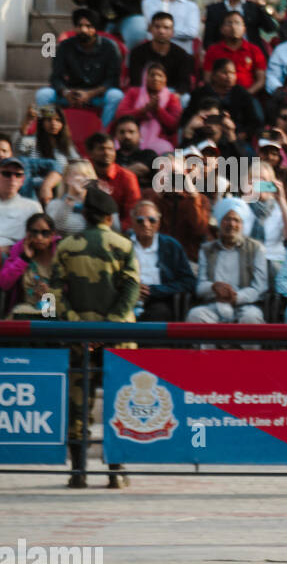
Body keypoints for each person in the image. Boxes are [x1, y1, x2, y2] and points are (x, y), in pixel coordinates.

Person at [51, 183, 139, 488]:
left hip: (78, 336)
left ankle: (78, 471)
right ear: (109, 217)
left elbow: (50, 296)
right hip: (118, 338)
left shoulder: (64, 246)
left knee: (78, 401)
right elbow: (131, 290)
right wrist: (111, 326)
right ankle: (117, 472)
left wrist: (69, 323)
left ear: (86, 215)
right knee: (120, 400)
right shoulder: (125, 246)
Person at [37, 9, 126, 130]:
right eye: (80, 26)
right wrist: (66, 93)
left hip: (97, 95)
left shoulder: (109, 47)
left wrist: (90, 94)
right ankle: (46, 131)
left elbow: (112, 80)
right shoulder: (65, 46)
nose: (83, 30)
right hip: (70, 94)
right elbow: (56, 77)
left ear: (95, 29)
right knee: (43, 95)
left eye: (88, 26)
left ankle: (104, 133)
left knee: (116, 96)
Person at [185, 205, 268, 324]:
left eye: (236, 220)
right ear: (219, 223)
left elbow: (260, 287)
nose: (231, 224)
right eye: (227, 219)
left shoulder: (256, 249)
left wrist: (236, 297)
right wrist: (213, 287)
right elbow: (200, 287)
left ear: (243, 224)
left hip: (246, 306)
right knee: (195, 315)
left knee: (251, 318)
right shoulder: (206, 249)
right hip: (213, 305)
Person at [127, 199, 195, 321]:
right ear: (132, 222)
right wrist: (131, 290)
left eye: (151, 220)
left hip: (159, 300)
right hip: (127, 298)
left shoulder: (171, 246)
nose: (146, 224)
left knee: (158, 315)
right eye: (140, 220)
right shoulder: (123, 245)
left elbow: (188, 282)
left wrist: (153, 290)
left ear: (158, 223)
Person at [1, 213, 58, 319]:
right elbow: (4, 283)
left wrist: (50, 293)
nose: (39, 237)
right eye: (34, 232)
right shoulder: (19, 250)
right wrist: (24, 259)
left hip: (55, 310)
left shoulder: (60, 252)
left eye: (45, 233)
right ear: (27, 234)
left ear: (52, 234)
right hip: (25, 311)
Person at [0, 159, 42, 252]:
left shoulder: (32, 207)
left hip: (14, 257)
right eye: (7, 174)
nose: (12, 178)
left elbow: (37, 240)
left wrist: (9, 249)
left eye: (18, 175)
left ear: (22, 180)